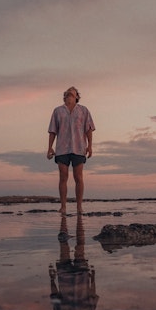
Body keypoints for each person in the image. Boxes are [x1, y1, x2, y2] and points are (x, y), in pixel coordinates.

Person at [47, 86, 95, 214]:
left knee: (78, 177)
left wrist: (90, 146)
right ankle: (63, 206)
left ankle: (79, 207)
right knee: (63, 177)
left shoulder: (84, 111)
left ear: (77, 97)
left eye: (72, 94)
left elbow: (88, 129)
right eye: (67, 94)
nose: (69, 95)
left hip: (79, 148)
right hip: (62, 148)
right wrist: (49, 147)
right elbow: (52, 130)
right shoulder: (58, 111)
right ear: (64, 97)